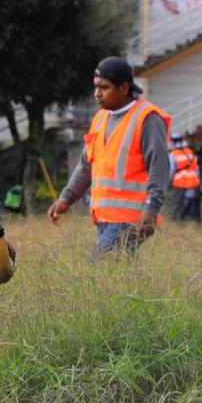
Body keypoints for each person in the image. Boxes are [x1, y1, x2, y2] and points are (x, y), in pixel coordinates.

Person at [47, 56, 171, 258]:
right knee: (114, 281)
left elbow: (159, 167)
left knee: (97, 270)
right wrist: (66, 199)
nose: (97, 94)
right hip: (104, 218)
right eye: (95, 87)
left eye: (104, 87)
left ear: (123, 88)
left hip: (132, 219)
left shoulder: (147, 118)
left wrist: (152, 209)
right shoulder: (100, 118)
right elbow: (86, 166)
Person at [168, 135, 202, 224]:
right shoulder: (190, 152)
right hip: (194, 183)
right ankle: (195, 228)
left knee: (178, 208)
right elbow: (197, 169)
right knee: (194, 209)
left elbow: (170, 171)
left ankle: (178, 226)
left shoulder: (173, 154)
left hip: (181, 183)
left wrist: (168, 184)